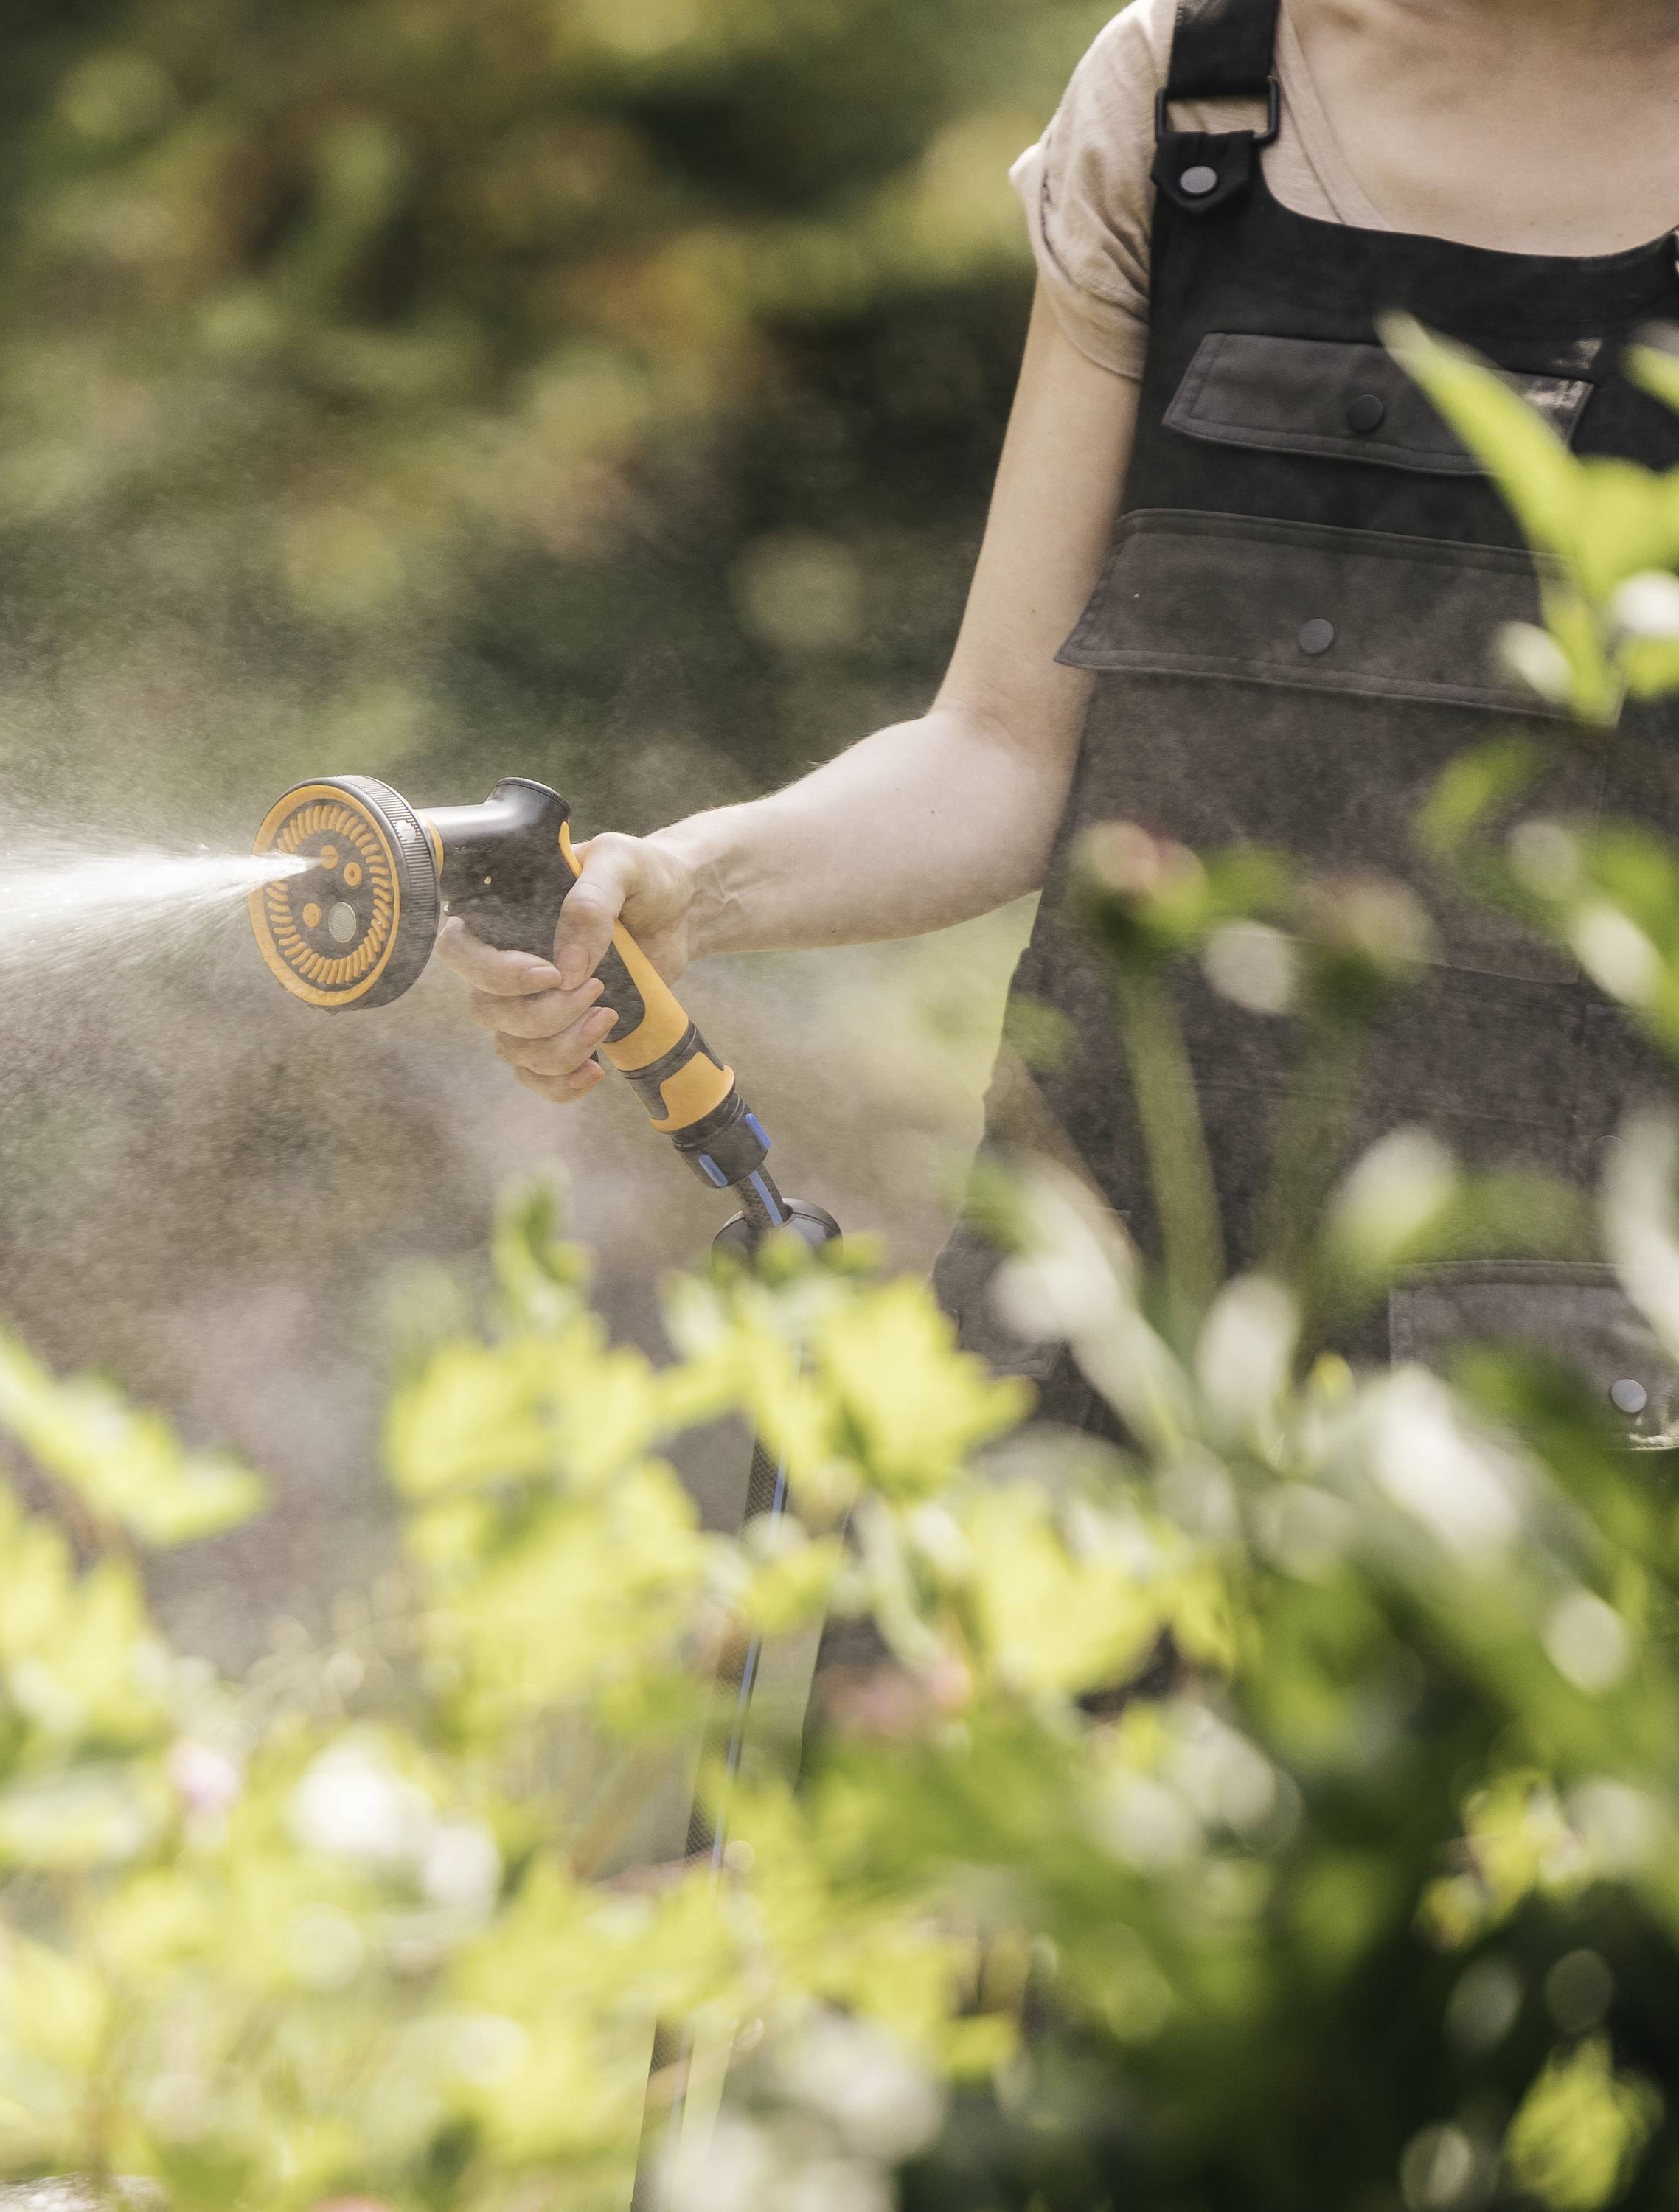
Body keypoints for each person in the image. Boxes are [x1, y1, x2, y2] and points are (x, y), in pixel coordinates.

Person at [439, 0, 1679, 1429]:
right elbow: (1002, 749)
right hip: (1107, 1352)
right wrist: (683, 887)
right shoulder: (1188, 96)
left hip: (1572, 1437)